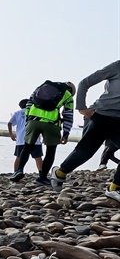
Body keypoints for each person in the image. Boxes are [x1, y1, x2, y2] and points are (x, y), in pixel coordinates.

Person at [50, 60, 120, 202]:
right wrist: (82, 107)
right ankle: (59, 172)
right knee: (85, 153)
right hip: (101, 115)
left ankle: (114, 189)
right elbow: (84, 83)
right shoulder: (117, 66)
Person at [9, 80, 75, 185]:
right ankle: (42, 177)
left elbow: (29, 103)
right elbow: (68, 115)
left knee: (27, 147)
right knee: (50, 150)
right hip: (51, 124)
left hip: (33, 121)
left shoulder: (42, 87)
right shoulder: (68, 95)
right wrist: (66, 133)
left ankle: (19, 170)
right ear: (71, 91)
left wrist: (29, 120)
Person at [8, 99, 43, 172]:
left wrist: (11, 134)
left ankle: (16, 172)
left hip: (21, 139)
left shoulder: (17, 113)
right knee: (38, 157)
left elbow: (10, 123)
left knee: (19, 156)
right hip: (34, 138)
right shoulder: (36, 112)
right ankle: (41, 173)